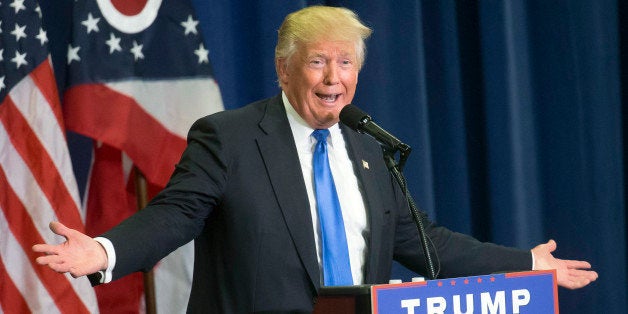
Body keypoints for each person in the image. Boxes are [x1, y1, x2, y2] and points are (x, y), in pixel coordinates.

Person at [33, 5, 597, 313]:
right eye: (318, 62)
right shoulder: (228, 138)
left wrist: (525, 263)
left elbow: (428, 247)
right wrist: (104, 250)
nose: (334, 79)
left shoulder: (371, 150)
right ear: (284, 69)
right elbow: (173, 217)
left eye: (346, 63)